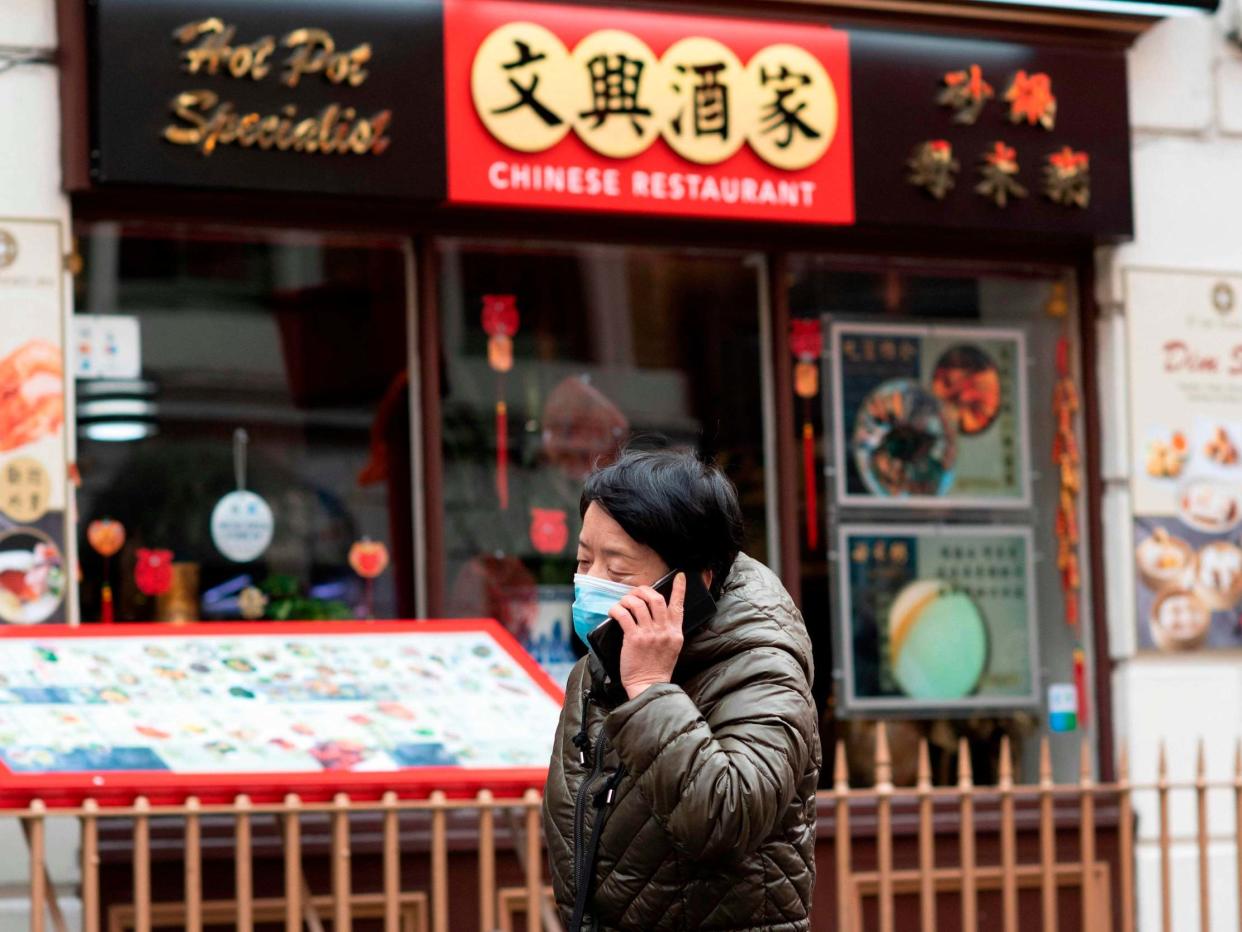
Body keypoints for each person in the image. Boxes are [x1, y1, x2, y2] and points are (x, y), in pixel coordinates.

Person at [543, 448, 821, 932]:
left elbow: (726, 819)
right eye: (584, 559)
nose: (591, 583)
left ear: (694, 582)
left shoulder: (762, 662)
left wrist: (651, 689)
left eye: (619, 569)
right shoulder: (597, 667)